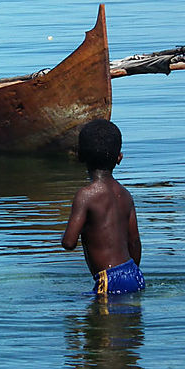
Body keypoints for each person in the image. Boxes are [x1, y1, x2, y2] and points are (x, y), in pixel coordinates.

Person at [61, 119, 145, 298]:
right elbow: (134, 242)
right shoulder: (125, 194)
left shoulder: (86, 195)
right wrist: (131, 273)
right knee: (131, 324)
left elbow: (68, 242)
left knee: (102, 324)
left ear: (79, 156)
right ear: (119, 158)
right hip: (134, 274)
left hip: (108, 279)